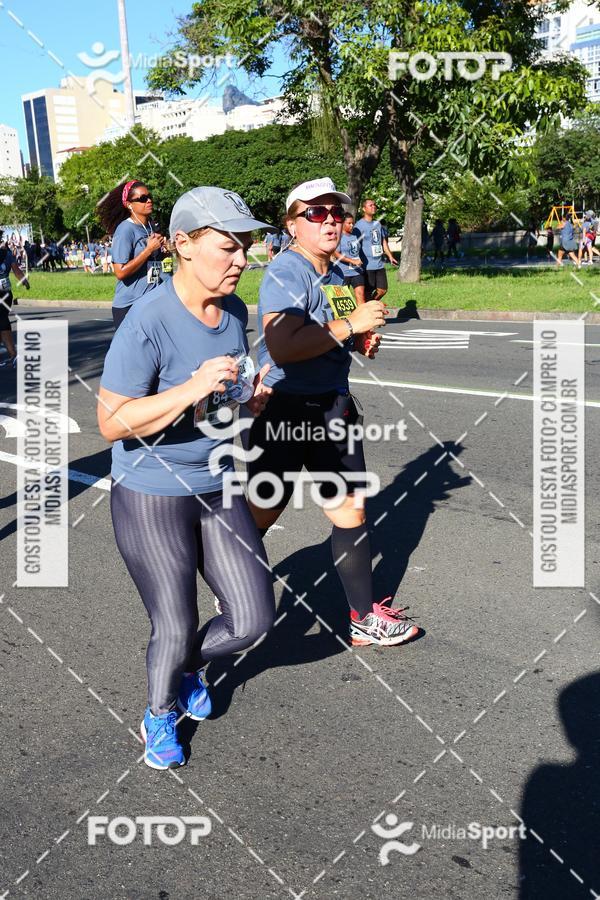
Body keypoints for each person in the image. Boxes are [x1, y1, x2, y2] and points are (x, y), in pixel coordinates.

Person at [97, 186, 276, 770]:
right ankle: (158, 710)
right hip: (151, 491)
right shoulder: (147, 320)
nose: (241, 258)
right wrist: (191, 388)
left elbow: (221, 406)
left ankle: (184, 665)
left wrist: (249, 400)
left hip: (218, 481)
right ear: (182, 245)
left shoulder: (235, 312)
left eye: (245, 246)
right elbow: (111, 421)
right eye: (227, 247)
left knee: (252, 621)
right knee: (175, 623)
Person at [247, 176, 420, 648]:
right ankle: (232, 587)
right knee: (261, 512)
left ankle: (363, 618)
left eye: (336, 214)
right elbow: (281, 346)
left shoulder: (341, 275)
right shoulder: (285, 272)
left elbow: (342, 335)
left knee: (350, 511)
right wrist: (350, 324)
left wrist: (364, 338)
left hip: (333, 408)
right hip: (285, 411)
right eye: (316, 214)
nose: (330, 222)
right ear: (292, 224)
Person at [97, 179, 166, 329]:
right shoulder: (125, 230)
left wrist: (164, 250)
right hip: (130, 305)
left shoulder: (150, 226)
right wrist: (148, 250)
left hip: (151, 301)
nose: (149, 201)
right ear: (129, 205)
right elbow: (120, 272)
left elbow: (153, 263)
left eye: (149, 196)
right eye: (142, 199)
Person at [354, 199, 398, 302]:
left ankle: (370, 305)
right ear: (364, 209)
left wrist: (390, 256)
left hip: (379, 264)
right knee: (368, 292)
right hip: (367, 265)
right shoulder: (359, 226)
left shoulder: (377, 224)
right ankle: (367, 310)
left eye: (374, 205)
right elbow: (355, 244)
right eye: (370, 205)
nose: (374, 206)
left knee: (382, 290)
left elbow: (383, 242)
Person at [0, 230, 30, 367]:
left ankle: (13, 354)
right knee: (2, 320)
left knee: (2, 321)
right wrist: (24, 281)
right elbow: (16, 270)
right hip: (6, 293)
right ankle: (12, 353)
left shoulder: (6, 254)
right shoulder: (7, 254)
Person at [334, 212, 365, 303]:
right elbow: (335, 253)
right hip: (343, 273)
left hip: (356, 271)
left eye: (353, 223)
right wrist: (352, 261)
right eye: (349, 223)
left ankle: (362, 316)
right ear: (343, 223)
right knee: (344, 300)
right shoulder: (339, 237)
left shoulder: (355, 236)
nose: (352, 225)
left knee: (361, 296)